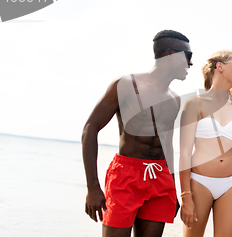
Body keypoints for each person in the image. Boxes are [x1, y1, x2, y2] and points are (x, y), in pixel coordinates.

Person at [82, 29, 193, 237]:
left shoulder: (174, 99)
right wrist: (93, 187)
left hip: (160, 178)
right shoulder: (126, 85)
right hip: (126, 175)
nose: (190, 64)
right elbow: (90, 128)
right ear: (170, 55)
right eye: (188, 57)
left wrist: (172, 187)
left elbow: (167, 145)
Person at [179, 50, 232, 237]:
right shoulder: (194, 104)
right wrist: (185, 196)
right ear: (219, 66)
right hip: (199, 182)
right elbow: (184, 153)